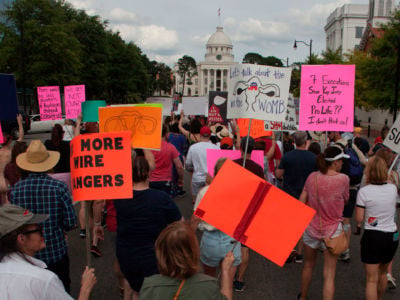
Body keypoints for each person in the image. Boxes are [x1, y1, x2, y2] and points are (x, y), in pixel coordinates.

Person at [10, 140, 78, 292]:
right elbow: (70, 221)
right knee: (60, 289)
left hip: (28, 252)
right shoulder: (59, 188)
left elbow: (15, 223)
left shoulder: (16, 190)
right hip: (55, 250)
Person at [114, 156, 182, 300]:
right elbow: (179, 223)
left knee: (134, 287)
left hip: (126, 253)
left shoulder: (119, 197)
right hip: (154, 255)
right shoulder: (161, 198)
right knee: (149, 291)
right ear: (149, 173)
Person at [0, 204, 96, 300]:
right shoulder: (43, 280)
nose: (43, 233)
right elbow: (70, 221)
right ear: (22, 238)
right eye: (39, 231)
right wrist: (85, 289)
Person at [298, 146, 350, 300]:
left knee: (308, 265)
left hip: (312, 228)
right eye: (340, 161)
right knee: (329, 274)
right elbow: (346, 200)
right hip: (332, 231)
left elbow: (302, 200)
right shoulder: (343, 179)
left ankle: (303, 297)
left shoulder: (312, 177)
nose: (342, 164)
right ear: (334, 163)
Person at [140, 221, 234, 300]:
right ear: (194, 251)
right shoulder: (208, 287)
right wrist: (225, 272)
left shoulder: (149, 286)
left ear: (161, 252)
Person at [191, 157, 241, 292]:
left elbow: (195, 219)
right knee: (228, 283)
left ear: (215, 172)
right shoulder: (241, 192)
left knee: (209, 281)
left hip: (210, 239)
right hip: (231, 240)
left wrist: (190, 238)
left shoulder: (205, 192)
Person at [355, 156, 398, 300]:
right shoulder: (393, 189)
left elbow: (359, 218)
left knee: (371, 280)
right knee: (383, 273)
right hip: (391, 235)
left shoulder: (364, 192)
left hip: (373, 236)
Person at [276, 131, 317, 263]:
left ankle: (289, 251)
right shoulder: (313, 158)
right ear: (306, 142)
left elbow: (278, 175)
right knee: (302, 225)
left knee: (288, 225)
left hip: (289, 193)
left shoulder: (287, 156)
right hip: (306, 196)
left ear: (294, 142)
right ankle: (299, 253)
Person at [232, 136, 264, 292]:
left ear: (240, 148)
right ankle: (239, 280)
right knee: (245, 247)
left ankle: (229, 275)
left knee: (230, 244)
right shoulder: (258, 169)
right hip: (249, 211)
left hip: (233, 210)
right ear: (253, 149)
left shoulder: (233, 165)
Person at [185, 126, 219, 202]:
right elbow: (218, 165)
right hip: (210, 180)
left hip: (197, 178)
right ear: (210, 136)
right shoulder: (216, 148)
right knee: (208, 203)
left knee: (197, 203)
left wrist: (191, 169)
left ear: (200, 135)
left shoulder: (193, 147)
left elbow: (187, 164)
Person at [150, 124, 184, 195]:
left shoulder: (149, 148)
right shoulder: (171, 147)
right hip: (166, 181)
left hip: (151, 181)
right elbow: (179, 166)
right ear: (166, 134)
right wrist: (181, 178)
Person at [0, 114, 24, 204]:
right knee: (8, 206)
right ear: (10, 140)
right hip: (7, 182)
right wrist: (20, 123)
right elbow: (21, 138)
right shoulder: (11, 151)